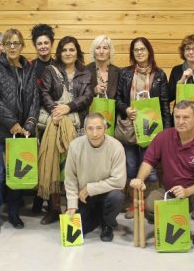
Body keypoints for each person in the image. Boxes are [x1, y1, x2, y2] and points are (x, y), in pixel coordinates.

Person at [130, 100, 194, 246]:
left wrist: (187, 191)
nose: (180, 121)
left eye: (186, 117)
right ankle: (164, 222)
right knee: (149, 205)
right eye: (177, 117)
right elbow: (148, 161)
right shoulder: (163, 137)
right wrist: (139, 179)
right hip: (168, 190)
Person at [0, 28, 39, 235]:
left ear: (22, 45)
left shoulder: (29, 68)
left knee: (17, 175)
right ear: (2, 47)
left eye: (16, 43)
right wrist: (12, 123)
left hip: (22, 133)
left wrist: (29, 124)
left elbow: (34, 99)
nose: (12, 47)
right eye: (8, 44)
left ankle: (13, 214)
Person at [37, 35, 93, 225]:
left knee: (74, 169)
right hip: (55, 124)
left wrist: (68, 107)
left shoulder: (86, 73)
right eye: (64, 50)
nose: (68, 53)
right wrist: (57, 110)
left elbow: (87, 96)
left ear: (77, 52)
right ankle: (53, 209)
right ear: (59, 53)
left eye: (72, 49)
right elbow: (44, 92)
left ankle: (75, 207)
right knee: (54, 165)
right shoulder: (50, 70)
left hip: (78, 127)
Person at [115, 37, 171, 219]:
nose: (139, 52)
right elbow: (117, 99)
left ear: (149, 51)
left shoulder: (160, 75)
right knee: (131, 167)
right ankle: (133, 205)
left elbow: (164, 105)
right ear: (132, 53)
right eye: (136, 50)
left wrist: (167, 132)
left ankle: (150, 206)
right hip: (129, 128)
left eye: (143, 49)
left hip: (152, 129)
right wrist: (126, 109)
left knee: (151, 169)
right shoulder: (124, 73)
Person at [64, 113, 126, 242]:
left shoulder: (116, 147)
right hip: (84, 197)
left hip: (106, 194)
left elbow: (119, 181)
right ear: (84, 130)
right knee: (80, 229)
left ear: (105, 129)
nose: (95, 133)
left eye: (99, 128)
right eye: (90, 128)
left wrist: (90, 188)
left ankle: (107, 224)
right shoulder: (75, 146)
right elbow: (70, 178)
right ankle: (98, 217)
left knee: (117, 197)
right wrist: (71, 205)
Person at [29, 23, 55, 214]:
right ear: (35, 46)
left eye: (46, 43)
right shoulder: (30, 67)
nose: (43, 46)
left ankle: (49, 200)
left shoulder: (58, 66)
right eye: (40, 43)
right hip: (32, 119)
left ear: (52, 44)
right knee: (36, 161)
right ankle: (37, 199)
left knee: (49, 162)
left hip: (52, 119)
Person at [86, 35, 120, 99]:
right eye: (98, 48)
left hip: (113, 108)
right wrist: (94, 91)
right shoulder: (85, 71)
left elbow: (121, 97)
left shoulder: (118, 72)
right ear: (93, 51)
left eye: (105, 48)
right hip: (91, 108)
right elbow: (80, 96)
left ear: (110, 52)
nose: (101, 51)